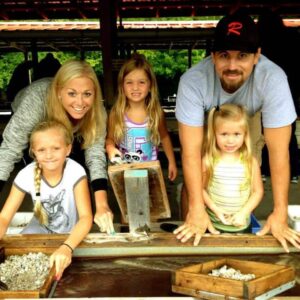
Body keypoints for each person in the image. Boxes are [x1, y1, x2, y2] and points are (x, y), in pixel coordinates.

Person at [174, 11, 300, 252]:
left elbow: (279, 152)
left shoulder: (273, 78)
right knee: (199, 177)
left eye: (242, 55)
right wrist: (197, 209)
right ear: (213, 56)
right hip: (209, 116)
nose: (232, 66)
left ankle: (238, 223)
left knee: (246, 164)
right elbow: (190, 154)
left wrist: (280, 213)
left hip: (249, 117)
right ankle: (193, 224)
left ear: (257, 56)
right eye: (224, 55)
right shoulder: (193, 81)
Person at [0, 59, 114, 235]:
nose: (80, 102)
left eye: (87, 94)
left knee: (71, 172)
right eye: (72, 93)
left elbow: (95, 154)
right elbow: (9, 150)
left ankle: (72, 224)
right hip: (34, 115)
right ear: (59, 92)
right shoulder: (36, 101)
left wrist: (102, 204)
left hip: (68, 132)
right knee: (43, 170)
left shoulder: (97, 110)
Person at [0, 120, 93, 280]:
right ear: (34, 152)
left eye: (56, 148)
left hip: (69, 237)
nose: (49, 155)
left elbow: (86, 218)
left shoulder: (76, 171)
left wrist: (67, 247)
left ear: (68, 149)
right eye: (41, 150)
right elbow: (4, 217)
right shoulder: (25, 174)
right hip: (36, 237)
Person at [106, 53, 177, 181]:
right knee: (130, 200)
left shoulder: (156, 112)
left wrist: (172, 162)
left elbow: (165, 137)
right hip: (126, 172)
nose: (135, 87)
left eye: (141, 82)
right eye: (129, 82)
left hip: (150, 171)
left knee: (150, 199)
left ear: (150, 85)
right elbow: (110, 139)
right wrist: (110, 148)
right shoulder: (116, 113)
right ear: (122, 86)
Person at [202, 104, 264, 232]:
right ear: (214, 133)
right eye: (224, 134)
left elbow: (258, 192)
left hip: (242, 227)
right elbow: (200, 189)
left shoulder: (250, 161)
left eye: (237, 134)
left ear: (245, 134)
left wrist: (244, 213)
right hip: (213, 227)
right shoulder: (208, 160)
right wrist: (215, 208)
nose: (230, 140)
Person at [257, 9, 300, 184]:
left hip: (262, 90)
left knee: (261, 133)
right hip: (288, 90)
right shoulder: (292, 38)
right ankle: (294, 171)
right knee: (287, 132)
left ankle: (263, 169)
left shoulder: (258, 38)